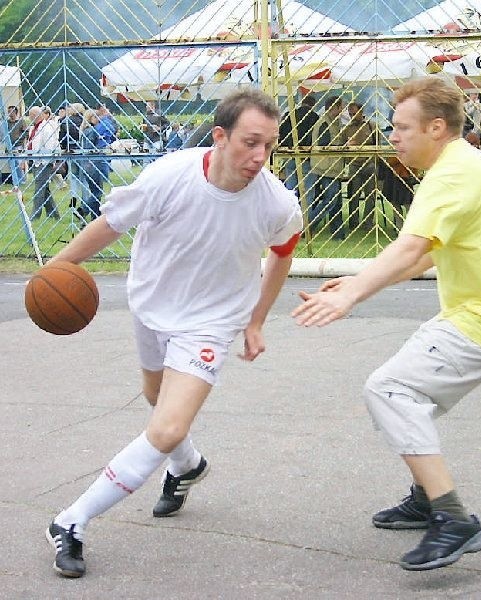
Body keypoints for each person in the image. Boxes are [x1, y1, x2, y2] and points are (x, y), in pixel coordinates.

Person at [44, 88, 303, 578]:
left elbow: (283, 254)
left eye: (269, 145)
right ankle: (188, 467)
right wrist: (55, 269)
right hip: (152, 303)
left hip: (211, 321)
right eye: (251, 143)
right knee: (155, 396)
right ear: (220, 136)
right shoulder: (170, 176)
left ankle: (70, 520)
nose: (260, 157)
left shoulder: (275, 203)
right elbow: (110, 225)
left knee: (166, 427)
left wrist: (256, 319)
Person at [293, 77, 481, 571]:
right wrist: (356, 280)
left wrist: (351, 298)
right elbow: (425, 252)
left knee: (390, 390)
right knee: (410, 395)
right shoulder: (465, 164)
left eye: (401, 126)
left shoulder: (452, 174)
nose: (392, 135)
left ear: (436, 126)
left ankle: (453, 519)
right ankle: (426, 497)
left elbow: (411, 247)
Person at [309, 96, 346, 240]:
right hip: (327, 167)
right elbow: (325, 145)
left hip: (332, 167)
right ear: (333, 107)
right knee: (330, 200)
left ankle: (338, 234)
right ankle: (306, 226)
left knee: (336, 202)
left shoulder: (333, 122)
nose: (342, 110)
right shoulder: (324, 123)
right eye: (340, 107)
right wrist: (343, 146)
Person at [279, 93, 319, 202]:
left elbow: (280, 133)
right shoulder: (314, 117)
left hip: (289, 154)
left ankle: (291, 214)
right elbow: (315, 136)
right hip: (306, 156)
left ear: (302, 103)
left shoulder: (289, 114)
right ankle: (304, 217)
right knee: (307, 192)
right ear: (313, 105)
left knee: (291, 190)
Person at [344, 102, 377, 231]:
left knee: (371, 196)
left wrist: (374, 162)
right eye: (350, 114)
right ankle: (353, 223)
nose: (352, 116)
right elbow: (343, 145)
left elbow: (377, 144)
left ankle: (368, 223)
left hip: (369, 164)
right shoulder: (347, 128)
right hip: (354, 165)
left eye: (354, 113)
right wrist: (348, 160)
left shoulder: (371, 125)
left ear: (361, 111)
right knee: (354, 195)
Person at [27, 105, 61, 220]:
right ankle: (54, 214)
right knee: (44, 189)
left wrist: (48, 161)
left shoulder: (46, 127)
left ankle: (34, 216)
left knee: (39, 190)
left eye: (31, 115)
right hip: (36, 161)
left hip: (43, 162)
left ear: (35, 115)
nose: (29, 117)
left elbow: (50, 145)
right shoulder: (33, 128)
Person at [78, 109, 105, 220]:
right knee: (97, 192)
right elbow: (90, 149)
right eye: (95, 117)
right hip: (92, 164)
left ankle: (96, 217)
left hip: (84, 164)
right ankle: (83, 209)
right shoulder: (92, 131)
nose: (98, 119)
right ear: (90, 118)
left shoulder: (83, 131)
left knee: (94, 191)